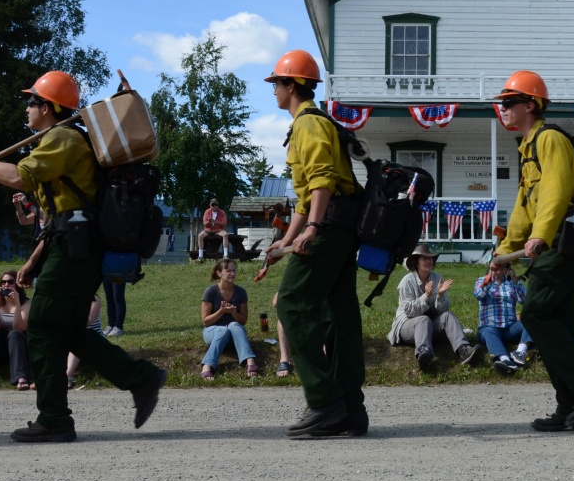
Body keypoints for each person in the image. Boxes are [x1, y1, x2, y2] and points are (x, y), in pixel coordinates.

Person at [0, 69, 166, 443]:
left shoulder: (63, 138)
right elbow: (57, 216)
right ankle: (140, 378)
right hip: (71, 244)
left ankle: (54, 418)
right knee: (68, 329)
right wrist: (34, 259)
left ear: (49, 107)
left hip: (74, 248)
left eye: (32, 101)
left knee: (40, 326)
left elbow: (21, 177)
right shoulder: (59, 138)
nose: (27, 108)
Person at [493, 70, 574, 432]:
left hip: (564, 239)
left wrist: (540, 235)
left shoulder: (550, 140)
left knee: (534, 314)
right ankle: (572, 406)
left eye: (509, 102)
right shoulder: (528, 147)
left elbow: (557, 192)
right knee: (557, 323)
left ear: (530, 105)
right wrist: (504, 250)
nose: (503, 109)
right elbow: (523, 207)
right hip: (552, 241)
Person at [263, 49, 368, 438]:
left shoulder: (308, 125)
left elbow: (322, 182)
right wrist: (284, 242)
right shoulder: (311, 123)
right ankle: (351, 410)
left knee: (291, 302)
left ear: (292, 85)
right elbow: (305, 201)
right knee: (339, 316)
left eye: (277, 83)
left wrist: (313, 229)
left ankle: (325, 401)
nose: (273, 90)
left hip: (331, 226)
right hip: (337, 226)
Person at [390, 244, 480, 371]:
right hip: (407, 325)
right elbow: (409, 312)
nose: (428, 261)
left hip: (430, 325)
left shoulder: (437, 278)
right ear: (416, 262)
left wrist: (440, 296)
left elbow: (442, 311)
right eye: (424, 259)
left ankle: (464, 350)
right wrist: (426, 296)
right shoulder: (407, 281)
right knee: (423, 320)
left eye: (430, 258)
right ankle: (423, 353)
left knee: (448, 315)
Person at [200, 258, 258, 380]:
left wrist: (233, 312)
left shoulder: (241, 292)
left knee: (234, 325)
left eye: (234, 270)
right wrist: (221, 311)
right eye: (228, 271)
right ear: (219, 273)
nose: (232, 274)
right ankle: (207, 366)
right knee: (223, 330)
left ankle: (250, 361)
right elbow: (206, 321)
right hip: (213, 332)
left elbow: (243, 321)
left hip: (235, 335)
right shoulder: (210, 291)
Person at [474, 261, 530, 374]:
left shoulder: (510, 283)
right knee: (489, 331)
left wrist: (515, 280)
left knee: (531, 319)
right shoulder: (482, 280)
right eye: (497, 266)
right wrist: (490, 280)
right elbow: (478, 295)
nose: (500, 269)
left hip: (510, 328)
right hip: (489, 327)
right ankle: (505, 360)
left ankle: (520, 352)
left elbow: (526, 301)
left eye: (503, 266)